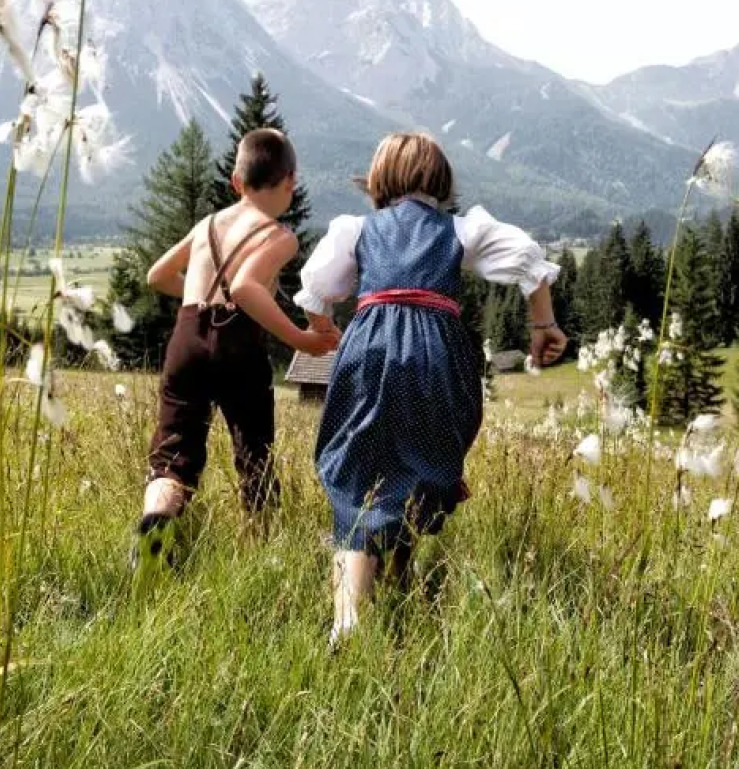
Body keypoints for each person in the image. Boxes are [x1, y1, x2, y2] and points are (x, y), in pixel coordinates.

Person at [295, 132, 567, 644]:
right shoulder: (459, 230)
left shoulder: (357, 229)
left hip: (370, 350)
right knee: (419, 464)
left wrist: (327, 330)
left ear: (380, 180)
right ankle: (397, 587)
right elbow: (528, 259)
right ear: (441, 182)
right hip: (437, 359)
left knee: (358, 475)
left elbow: (316, 288)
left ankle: (349, 618)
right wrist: (542, 325)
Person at [134, 128, 339, 566]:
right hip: (238, 343)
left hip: (187, 336)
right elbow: (246, 288)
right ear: (290, 181)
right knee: (254, 450)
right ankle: (258, 556)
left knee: (173, 454)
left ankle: (155, 524)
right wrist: (301, 339)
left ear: (236, 181)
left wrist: (197, 297)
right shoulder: (279, 236)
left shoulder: (207, 224)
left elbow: (157, 276)